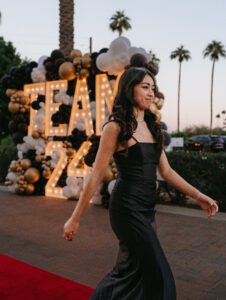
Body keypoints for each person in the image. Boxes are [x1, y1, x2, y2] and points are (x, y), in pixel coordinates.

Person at [63, 64, 219, 300]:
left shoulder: (153, 128)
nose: (151, 93)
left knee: (130, 272)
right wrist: (74, 218)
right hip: (126, 209)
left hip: (147, 209)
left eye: (153, 88)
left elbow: (166, 171)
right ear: (129, 89)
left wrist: (199, 196)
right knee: (159, 274)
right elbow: (96, 175)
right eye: (145, 87)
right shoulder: (115, 128)